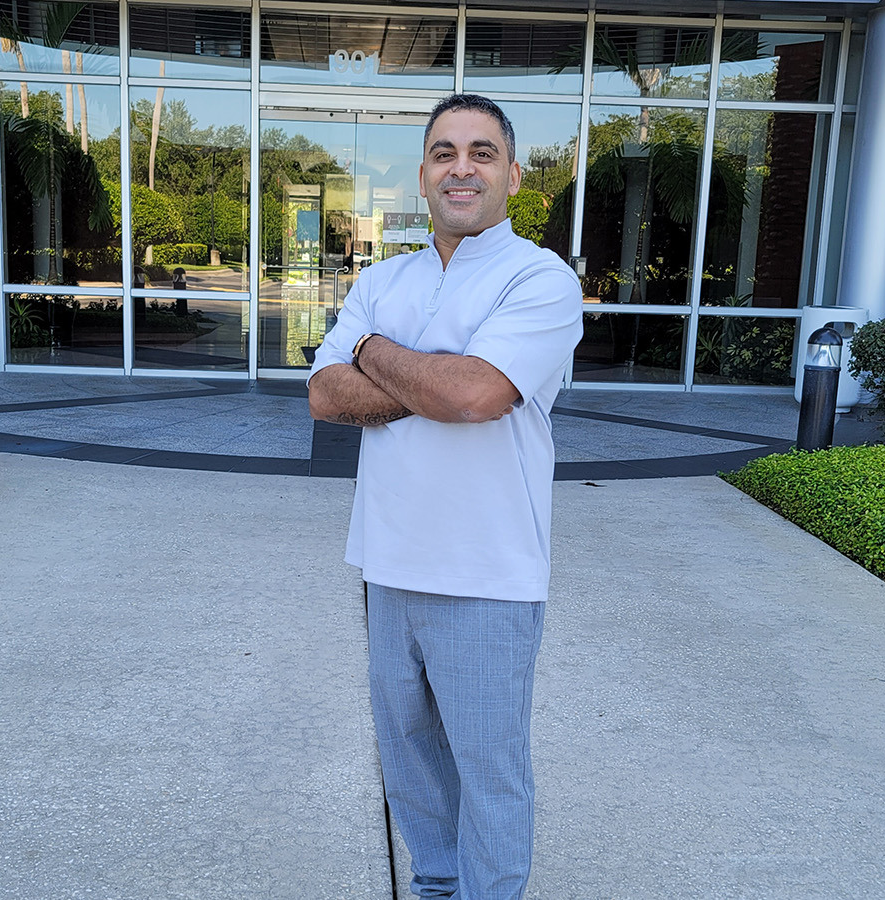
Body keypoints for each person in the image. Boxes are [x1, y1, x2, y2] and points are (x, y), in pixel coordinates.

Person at [306, 94, 583, 900]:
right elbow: (325, 397)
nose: (462, 167)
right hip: (388, 566)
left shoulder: (540, 277)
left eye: (482, 152)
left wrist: (370, 347)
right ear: (424, 174)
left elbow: (475, 396)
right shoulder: (384, 277)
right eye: (444, 153)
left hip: (488, 574)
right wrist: (432, 376)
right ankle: (434, 888)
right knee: (412, 766)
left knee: (489, 772)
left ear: (513, 175)